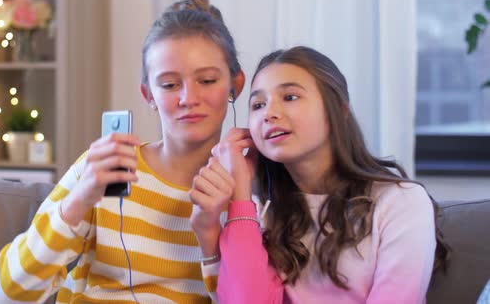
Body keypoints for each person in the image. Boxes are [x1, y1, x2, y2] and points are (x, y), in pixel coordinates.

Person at [0, 0, 244, 303]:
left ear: (235, 85)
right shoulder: (105, 168)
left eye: (206, 80)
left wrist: (211, 241)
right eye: (169, 85)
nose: (188, 97)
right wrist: (80, 199)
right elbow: (5, 296)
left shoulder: (245, 195)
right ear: (148, 95)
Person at [190, 46, 449, 303]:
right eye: (258, 104)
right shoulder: (259, 214)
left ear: (338, 109)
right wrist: (240, 195)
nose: (268, 113)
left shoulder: (401, 202)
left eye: (290, 97)